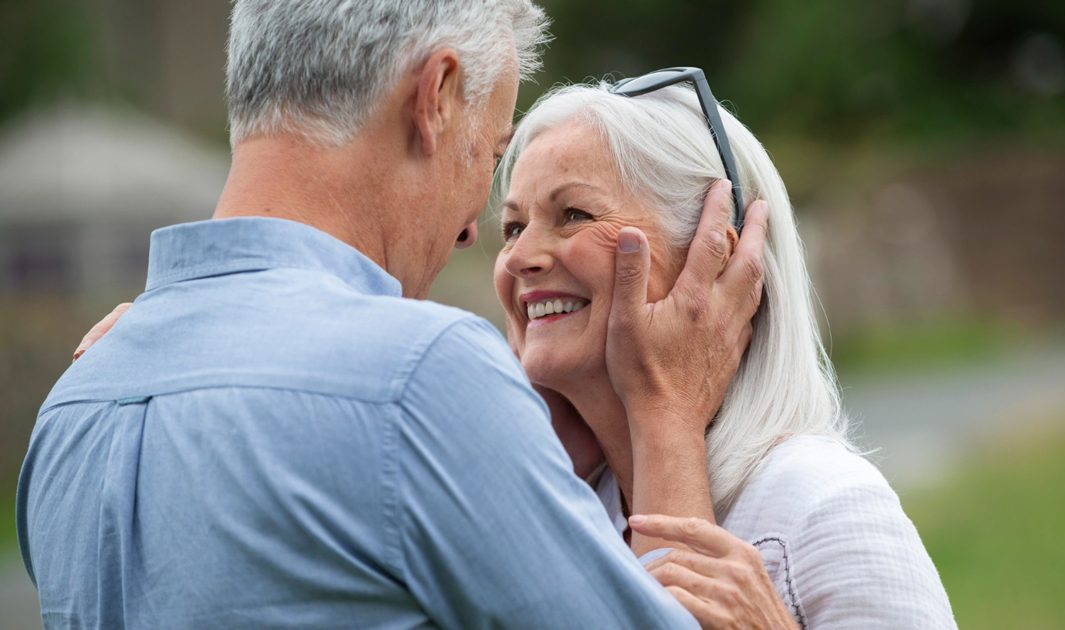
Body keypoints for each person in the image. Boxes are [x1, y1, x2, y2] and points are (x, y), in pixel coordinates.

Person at [17, 2, 781, 629]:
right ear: (436, 98)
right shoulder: (419, 375)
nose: (468, 233)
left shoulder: (72, 404)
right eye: (489, 156)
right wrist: (666, 410)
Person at [487, 81, 958, 628]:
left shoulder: (822, 506)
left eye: (574, 214)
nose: (520, 256)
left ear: (715, 256)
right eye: (513, 227)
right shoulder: (570, 510)